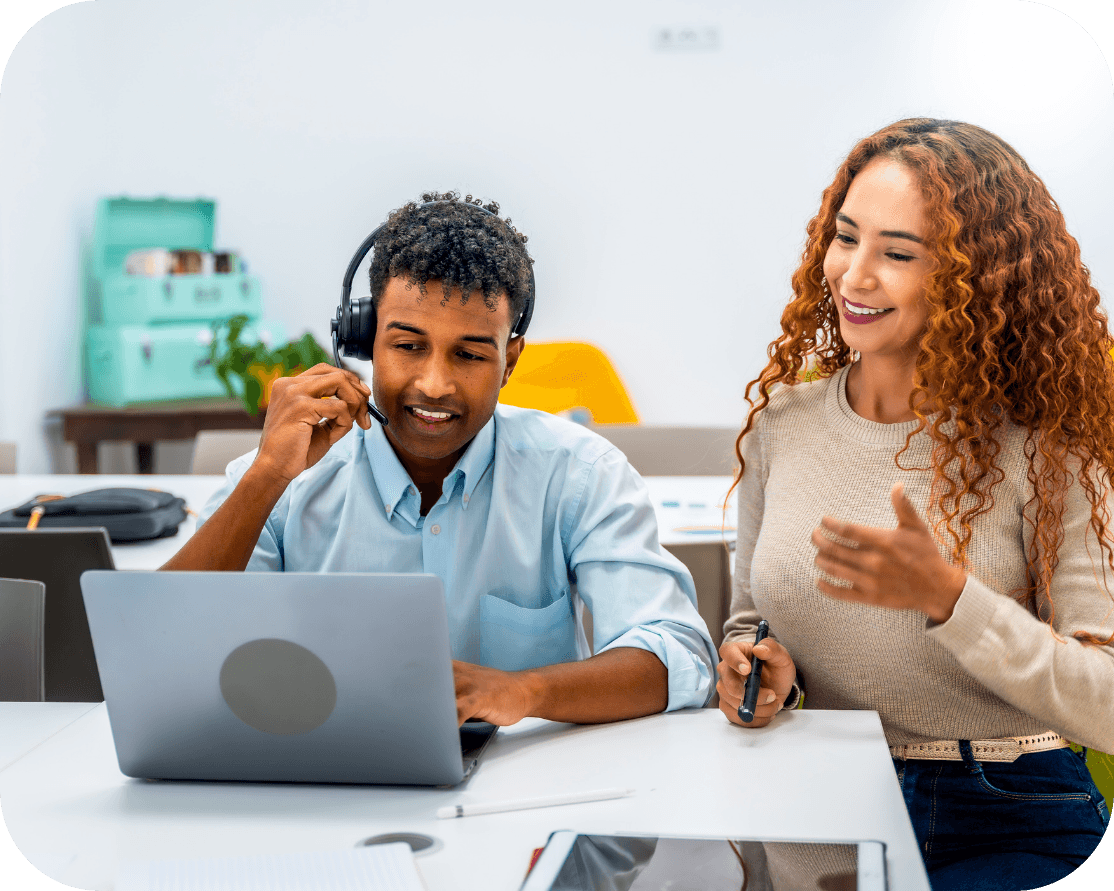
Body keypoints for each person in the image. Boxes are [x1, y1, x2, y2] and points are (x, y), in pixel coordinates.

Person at [716, 119, 1112, 891]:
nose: (854, 275)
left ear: (980, 278)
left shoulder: (1047, 446)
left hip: (1004, 807)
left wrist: (950, 598)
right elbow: (747, 622)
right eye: (845, 238)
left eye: (898, 253)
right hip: (821, 802)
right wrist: (753, 674)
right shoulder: (782, 425)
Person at [165, 191, 716, 726]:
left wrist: (522, 691)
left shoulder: (577, 473)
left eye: (471, 354)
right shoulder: (283, 477)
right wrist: (266, 477)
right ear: (363, 340)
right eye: (408, 346)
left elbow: (677, 654)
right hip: (321, 788)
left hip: (525, 794)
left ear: (509, 362)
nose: (434, 384)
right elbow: (165, 646)